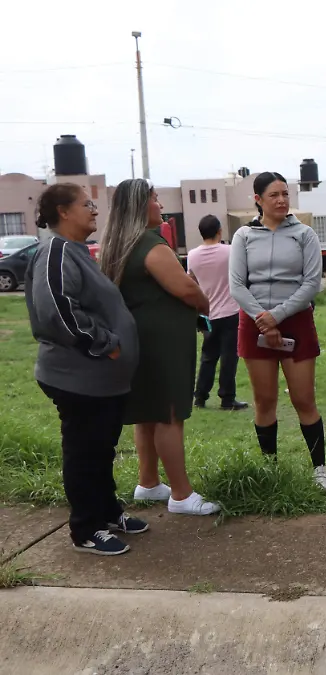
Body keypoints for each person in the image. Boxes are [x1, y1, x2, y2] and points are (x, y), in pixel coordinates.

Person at [26, 183, 147, 554]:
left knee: (101, 449)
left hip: (101, 382)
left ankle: (107, 511)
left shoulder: (76, 251)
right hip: (76, 378)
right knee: (84, 452)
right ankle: (85, 529)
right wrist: (106, 346)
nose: (94, 210)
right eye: (87, 204)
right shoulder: (55, 252)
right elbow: (58, 312)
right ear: (63, 212)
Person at [98, 179, 219, 516]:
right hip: (162, 345)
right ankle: (181, 494)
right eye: (154, 199)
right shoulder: (152, 246)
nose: (160, 205)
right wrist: (203, 300)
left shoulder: (119, 245)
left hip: (139, 342)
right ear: (140, 205)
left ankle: (148, 482)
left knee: (148, 414)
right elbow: (187, 290)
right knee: (169, 414)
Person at [229, 172, 326, 491]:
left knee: (304, 399)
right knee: (264, 400)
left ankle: (320, 469)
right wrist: (263, 317)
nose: (282, 200)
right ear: (258, 200)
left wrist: (278, 316)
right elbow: (237, 285)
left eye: (285, 194)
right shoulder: (243, 236)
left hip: (296, 319)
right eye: (274, 195)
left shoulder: (304, 234)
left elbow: (312, 283)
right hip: (254, 320)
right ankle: (269, 470)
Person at [189, 215, 247, 411]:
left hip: (207, 314)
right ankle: (227, 398)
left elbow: (193, 283)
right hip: (231, 312)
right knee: (229, 357)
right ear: (219, 231)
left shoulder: (192, 255)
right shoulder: (230, 251)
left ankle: (200, 396)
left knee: (208, 356)